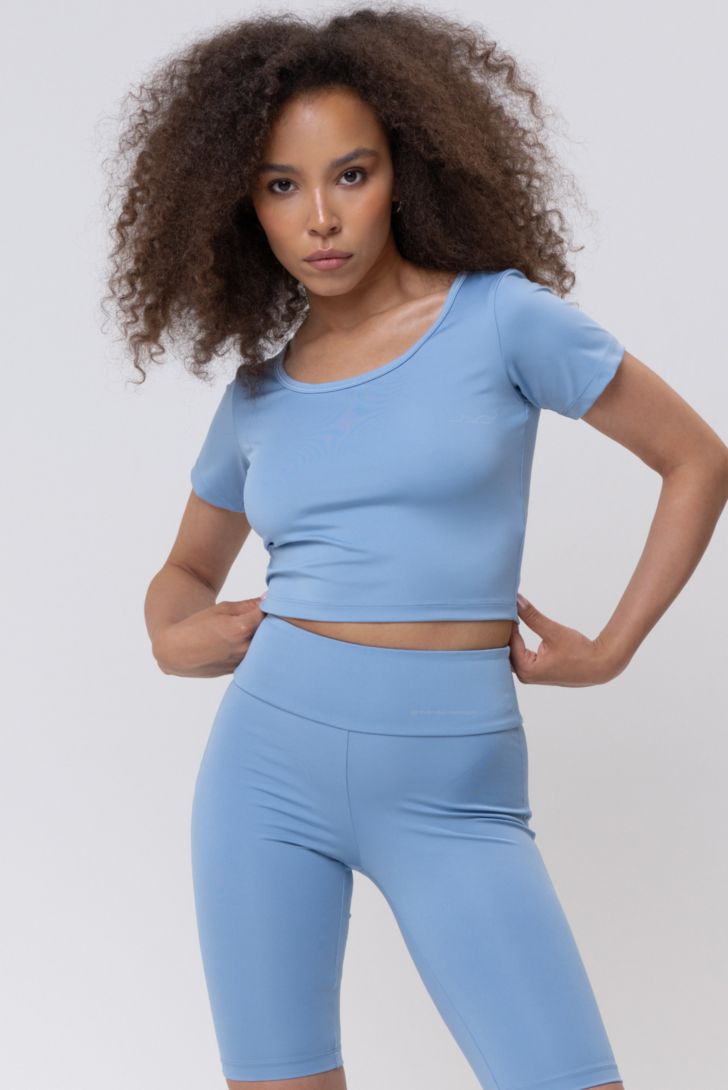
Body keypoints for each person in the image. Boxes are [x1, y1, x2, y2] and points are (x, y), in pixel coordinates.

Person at [105, 9, 728, 1090]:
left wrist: (611, 648)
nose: (321, 217)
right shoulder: (257, 396)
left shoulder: (503, 321)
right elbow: (184, 572)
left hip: (454, 789)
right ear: (243, 205)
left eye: (350, 174)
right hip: (264, 773)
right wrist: (172, 635)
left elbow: (696, 460)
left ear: (404, 169)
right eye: (282, 186)